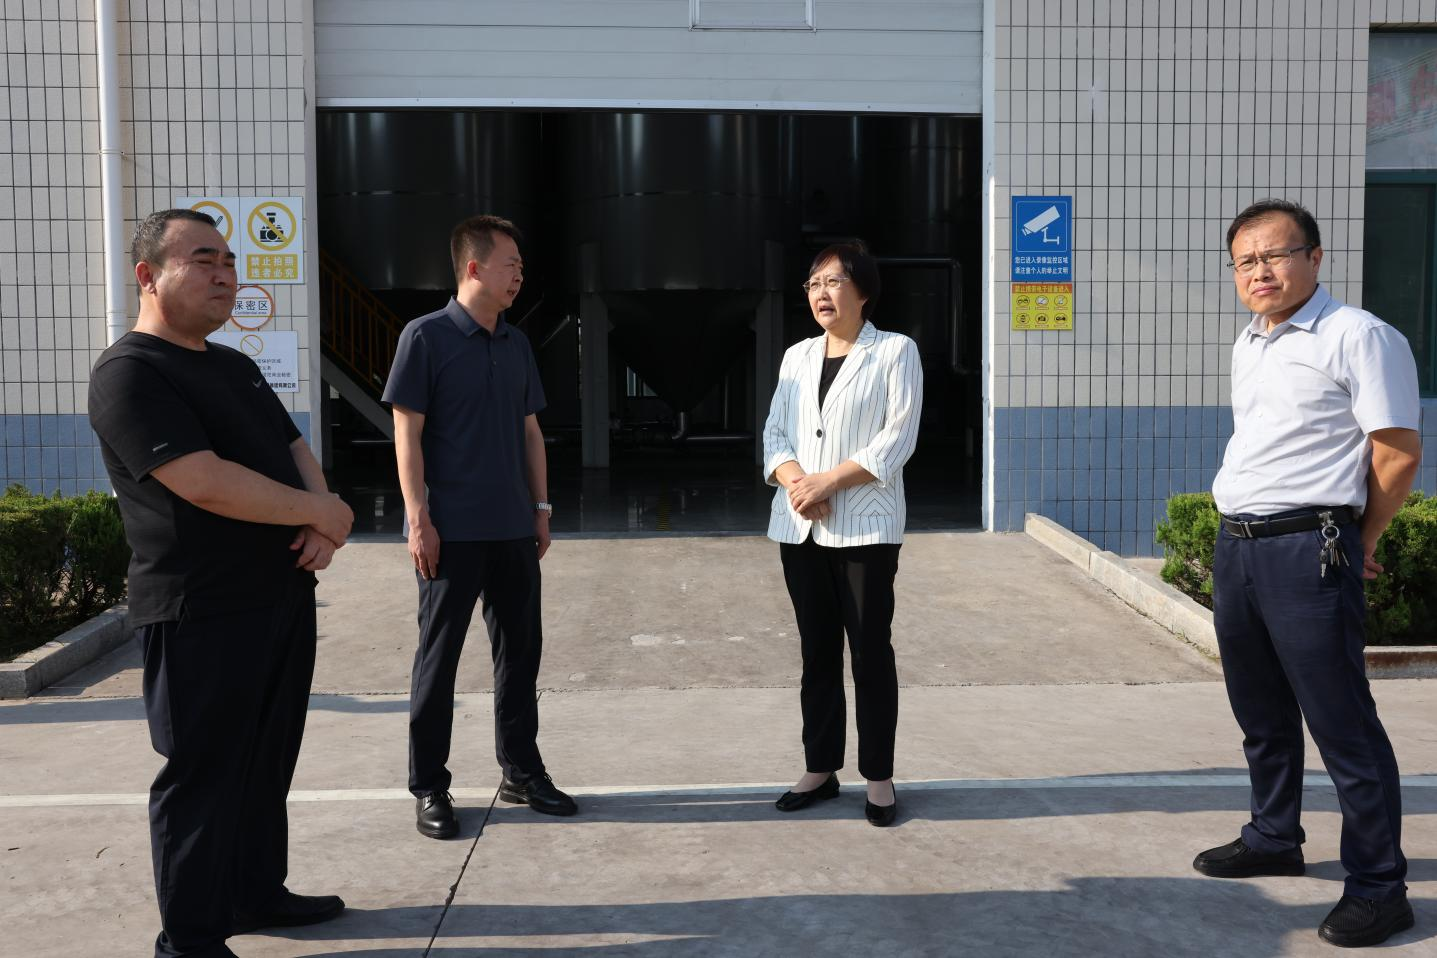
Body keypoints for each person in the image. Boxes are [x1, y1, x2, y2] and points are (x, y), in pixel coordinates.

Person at [88, 209, 354, 958]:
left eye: (230, 262)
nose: (225, 275)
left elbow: (293, 445)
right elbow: (202, 480)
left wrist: (323, 523)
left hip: (280, 594)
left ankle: (255, 890)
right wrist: (320, 512)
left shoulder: (232, 365)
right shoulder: (131, 372)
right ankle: (192, 939)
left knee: (266, 760)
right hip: (199, 607)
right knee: (203, 773)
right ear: (147, 276)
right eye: (203, 260)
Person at [1194, 199, 1421, 948]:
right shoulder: (1251, 341)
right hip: (1238, 544)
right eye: (1245, 261)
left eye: (1274, 255)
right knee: (1259, 711)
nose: (1259, 272)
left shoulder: (1358, 335)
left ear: (1314, 258)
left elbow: (1396, 451)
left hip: (1308, 547)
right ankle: (1273, 835)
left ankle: (1379, 886)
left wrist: (1360, 537)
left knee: (1341, 723)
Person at [384, 213, 576, 839]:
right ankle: (429, 786)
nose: (519, 275)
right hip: (450, 532)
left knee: (520, 656)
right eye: (510, 265)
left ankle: (521, 772)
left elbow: (530, 433)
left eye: (521, 267)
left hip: (512, 529)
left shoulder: (516, 343)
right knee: (438, 662)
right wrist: (418, 518)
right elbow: (407, 435)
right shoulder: (425, 337)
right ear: (474, 267)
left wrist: (541, 509)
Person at [760, 240, 923, 827]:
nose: (821, 293)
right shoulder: (796, 356)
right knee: (817, 651)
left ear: (863, 291)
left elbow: (897, 438)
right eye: (813, 284)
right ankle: (820, 767)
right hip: (799, 525)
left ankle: (878, 777)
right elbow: (775, 433)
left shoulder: (894, 351)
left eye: (833, 281)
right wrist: (798, 483)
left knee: (870, 652)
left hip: (865, 529)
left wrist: (828, 481)